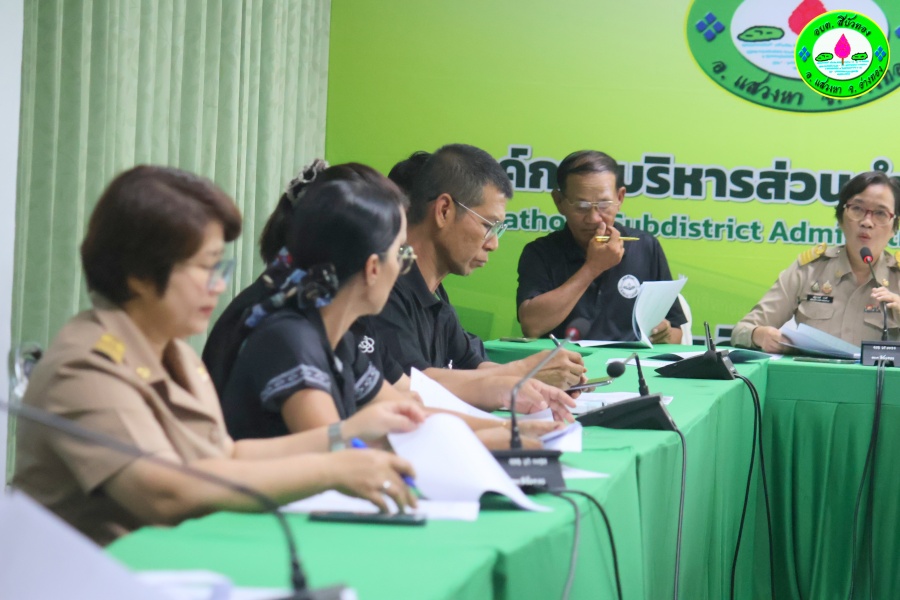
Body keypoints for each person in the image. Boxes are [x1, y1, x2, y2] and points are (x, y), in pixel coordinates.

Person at [13, 166, 423, 547]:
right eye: (205, 267)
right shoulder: (87, 366)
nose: (219, 286)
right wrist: (332, 469)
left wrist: (343, 435)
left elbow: (226, 454)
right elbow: (164, 492)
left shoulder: (175, 354)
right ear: (139, 275)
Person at [217, 172, 570, 440]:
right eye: (401, 252)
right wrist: (502, 434)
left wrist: (511, 427)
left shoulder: (342, 334)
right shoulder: (290, 335)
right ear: (373, 267)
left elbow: (407, 405)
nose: (405, 267)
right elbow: (337, 453)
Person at [365, 144, 587, 395]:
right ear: (444, 211)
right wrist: (524, 373)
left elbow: (472, 366)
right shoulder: (381, 290)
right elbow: (412, 386)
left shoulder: (436, 295)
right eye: (487, 225)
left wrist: (534, 381)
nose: (493, 244)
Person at [516, 150, 685, 343]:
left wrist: (664, 333)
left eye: (604, 205)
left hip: (629, 360)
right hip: (564, 359)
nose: (594, 218)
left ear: (620, 198)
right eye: (581, 206)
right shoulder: (540, 252)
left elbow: (676, 332)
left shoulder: (645, 246)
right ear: (559, 202)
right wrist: (592, 267)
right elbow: (532, 326)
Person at [731, 171, 900, 351]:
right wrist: (759, 335)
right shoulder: (810, 270)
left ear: (894, 228)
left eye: (880, 213)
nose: (867, 222)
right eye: (857, 209)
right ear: (841, 219)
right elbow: (742, 330)